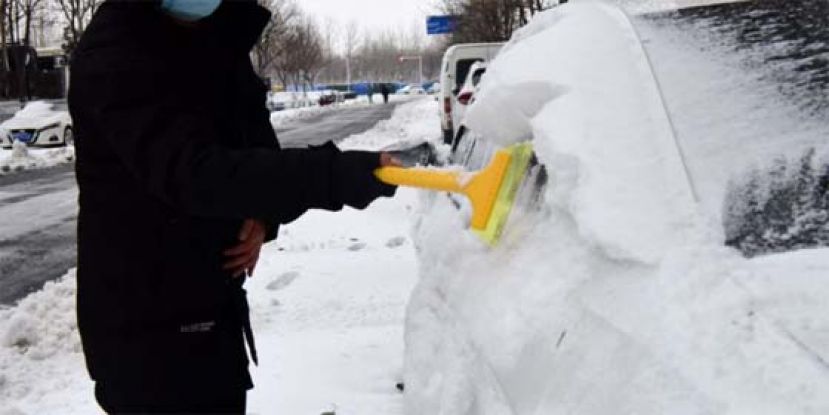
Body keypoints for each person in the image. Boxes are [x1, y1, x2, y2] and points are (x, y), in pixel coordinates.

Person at [69, 0, 397, 413]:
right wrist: (332, 175)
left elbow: (253, 147)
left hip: (212, 309)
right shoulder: (113, 52)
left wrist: (262, 215)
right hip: (143, 327)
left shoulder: (218, 38)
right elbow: (192, 173)